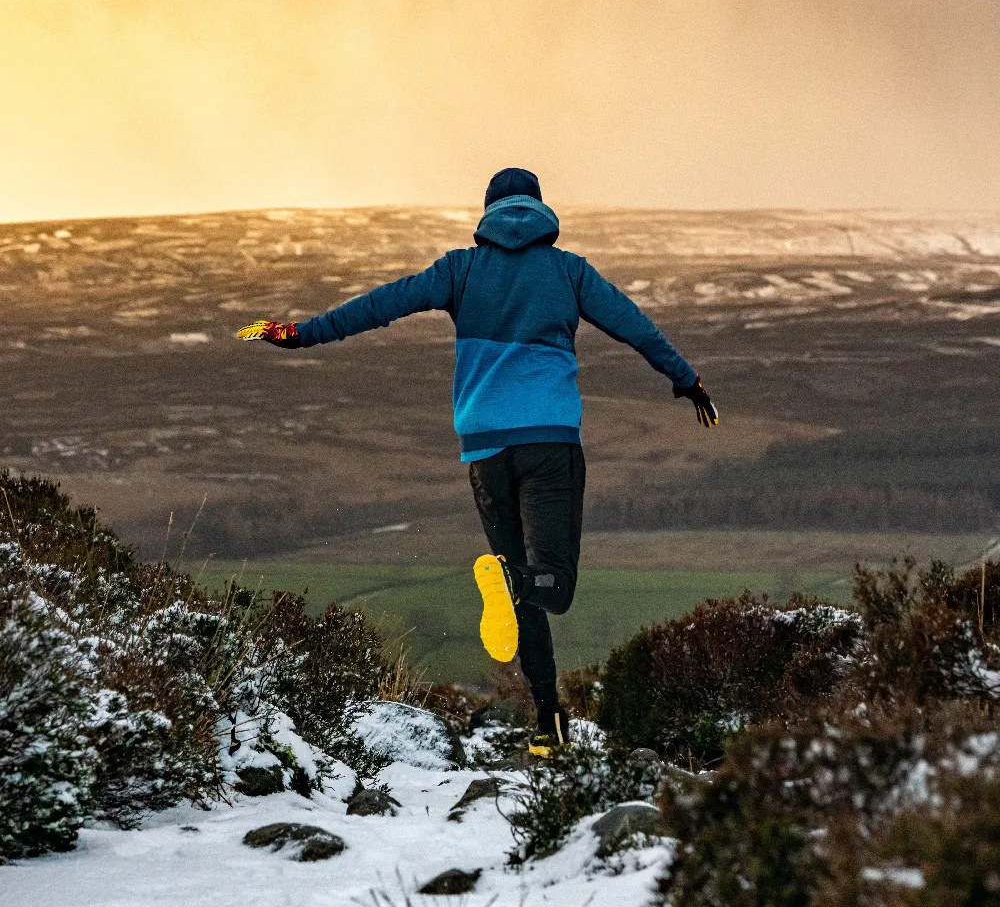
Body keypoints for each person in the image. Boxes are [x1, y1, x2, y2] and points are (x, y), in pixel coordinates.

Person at [237, 167, 718, 756]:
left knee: (519, 594)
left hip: (485, 449)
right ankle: (536, 680)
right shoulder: (569, 271)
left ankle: (549, 722)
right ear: (541, 211)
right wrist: (685, 380)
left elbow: (379, 305)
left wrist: (296, 333)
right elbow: (636, 328)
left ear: (487, 212)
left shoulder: (459, 270)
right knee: (553, 585)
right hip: (549, 443)